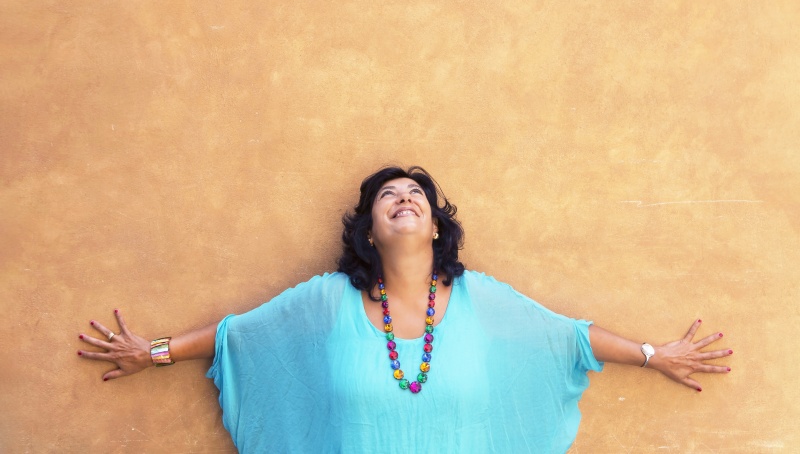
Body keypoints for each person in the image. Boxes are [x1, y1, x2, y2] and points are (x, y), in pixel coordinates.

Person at [77, 165, 732, 452]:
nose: (404, 198)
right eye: (387, 196)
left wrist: (655, 355)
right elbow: (237, 337)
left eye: (416, 194)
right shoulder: (328, 301)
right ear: (369, 231)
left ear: (437, 226)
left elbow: (570, 340)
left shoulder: (481, 299)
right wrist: (151, 352)